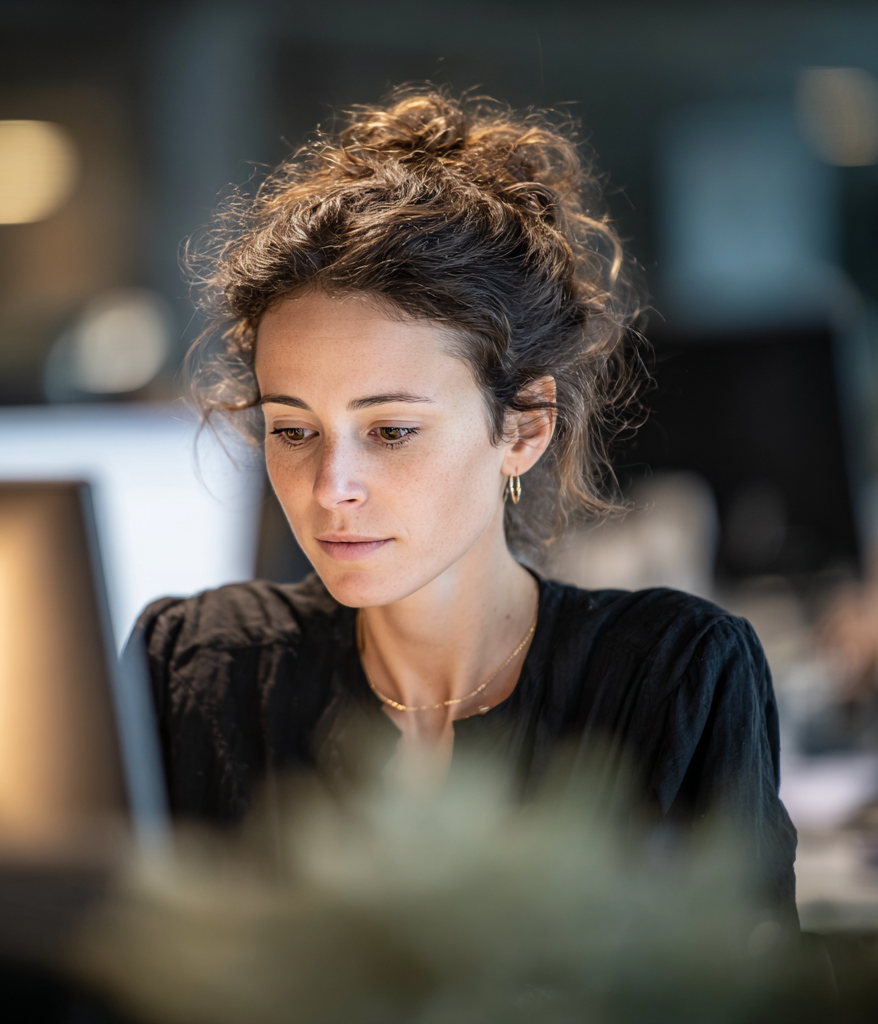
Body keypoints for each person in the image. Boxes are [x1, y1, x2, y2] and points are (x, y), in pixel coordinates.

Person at [130, 89, 797, 924]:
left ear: (523, 428)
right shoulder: (193, 666)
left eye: (392, 431)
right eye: (293, 431)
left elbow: (740, 980)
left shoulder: (674, 677)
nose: (331, 486)